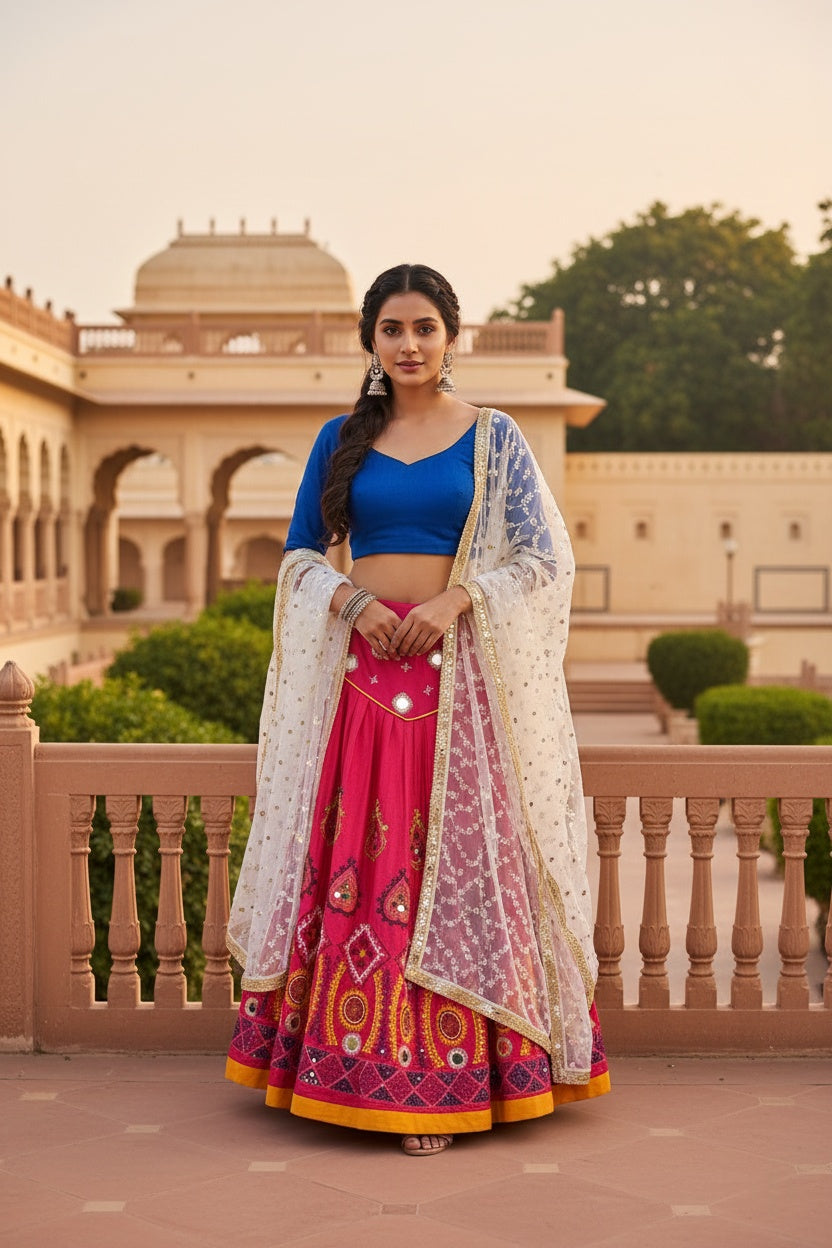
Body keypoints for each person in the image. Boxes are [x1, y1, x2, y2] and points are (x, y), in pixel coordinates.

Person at [225, 264, 609, 1157]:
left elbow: (546, 560)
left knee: (461, 864)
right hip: (360, 684)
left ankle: (450, 1082)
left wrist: (457, 601)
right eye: (392, 328)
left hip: (462, 690)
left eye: (425, 327)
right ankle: (348, 1072)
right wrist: (352, 603)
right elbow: (297, 556)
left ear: (451, 337)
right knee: (362, 860)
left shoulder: (495, 439)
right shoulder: (339, 440)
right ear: (371, 341)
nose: (408, 344)